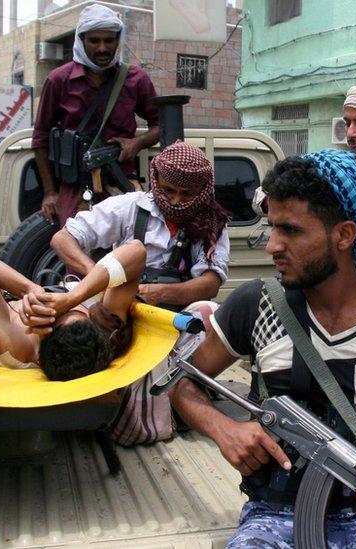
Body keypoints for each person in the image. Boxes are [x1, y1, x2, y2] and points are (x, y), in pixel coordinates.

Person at [170, 151, 356, 549]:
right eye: (272, 228)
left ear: (344, 235)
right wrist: (223, 428)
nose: (273, 246)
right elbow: (182, 385)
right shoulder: (256, 306)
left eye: (291, 231)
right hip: (273, 520)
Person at [52, 141, 230, 444]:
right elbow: (63, 239)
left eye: (187, 194)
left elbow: (212, 282)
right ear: (156, 179)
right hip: (117, 307)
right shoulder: (128, 207)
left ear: (203, 189)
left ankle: (180, 394)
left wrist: (157, 293)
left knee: (209, 315)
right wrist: (100, 278)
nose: (176, 201)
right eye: (169, 190)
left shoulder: (212, 222)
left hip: (167, 320)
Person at [32, 4, 161, 225]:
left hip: (121, 187)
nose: (102, 48)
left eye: (109, 41)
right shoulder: (59, 80)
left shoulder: (135, 78)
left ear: (117, 41)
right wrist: (50, 192)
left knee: (128, 254)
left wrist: (137, 143)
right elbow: (41, 138)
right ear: (81, 41)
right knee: (77, 254)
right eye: (94, 41)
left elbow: (161, 125)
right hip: (76, 190)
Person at [0, 241, 145, 382]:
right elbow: (137, 250)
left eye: (61, 314)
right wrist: (72, 298)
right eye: (77, 312)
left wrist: (29, 291)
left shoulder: (17, 348)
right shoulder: (108, 327)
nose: (72, 308)